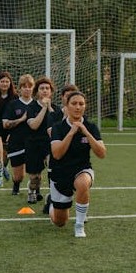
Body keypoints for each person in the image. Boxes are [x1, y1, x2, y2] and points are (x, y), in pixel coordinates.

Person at [48, 91, 106, 237]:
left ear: (85, 106)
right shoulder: (58, 127)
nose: (78, 107)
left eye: (81, 104)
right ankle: (52, 206)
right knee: (60, 222)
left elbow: (101, 153)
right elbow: (57, 154)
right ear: (66, 106)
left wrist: (86, 133)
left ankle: (79, 225)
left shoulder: (91, 127)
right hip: (60, 173)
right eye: (74, 103)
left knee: (82, 183)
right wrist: (71, 133)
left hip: (82, 169)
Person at [23, 76, 59, 204]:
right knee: (35, 178)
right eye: (42, 88)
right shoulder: (31, 107)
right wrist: (44, 108)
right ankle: (32, 190)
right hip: (33, 143)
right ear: (37, 91)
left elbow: (57, 126)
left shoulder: (55, 108)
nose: (44, 90)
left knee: (53, 169)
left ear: (51, 91)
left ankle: (53, 195)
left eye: (47, 88)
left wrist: (49, 108)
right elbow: (34, 125)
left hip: (50, 144)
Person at [2, 74, 35, 196]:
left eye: (30, 86)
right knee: (19, 176)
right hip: (16, 143)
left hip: (33, 143)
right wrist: (21, 119)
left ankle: (35, 191)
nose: (27, 89)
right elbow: (5, 124)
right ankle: (16, 185)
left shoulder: (37, 105)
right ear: (20, 88)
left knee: (35, 173)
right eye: (24, 86)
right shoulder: (13, 104)